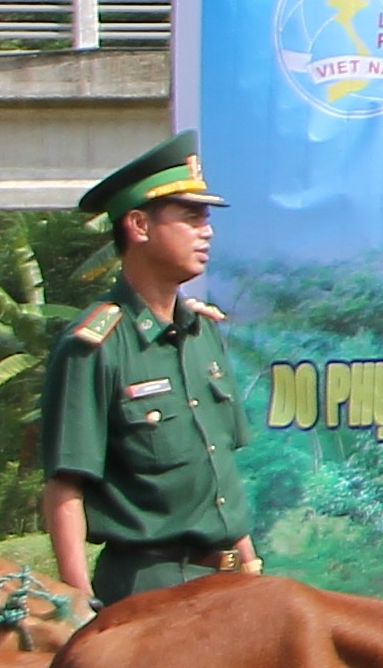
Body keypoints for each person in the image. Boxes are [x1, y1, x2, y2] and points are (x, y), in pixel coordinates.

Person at [42, 132, 262, 606]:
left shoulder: (203, 333)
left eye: (207, 218)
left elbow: (221, 469)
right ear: (139, 226)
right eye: (191, 217)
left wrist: (249, 565)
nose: (208, 231)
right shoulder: (94, 346)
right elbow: (65, 488)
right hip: (149, 590)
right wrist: (78, 604)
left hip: (227, 586)